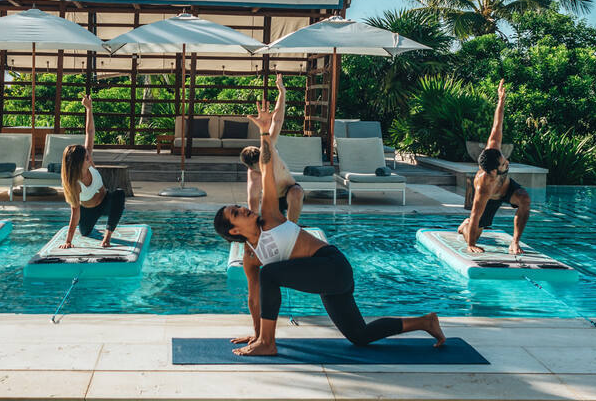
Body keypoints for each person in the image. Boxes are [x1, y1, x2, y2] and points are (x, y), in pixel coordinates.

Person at [213, 97, 444, 356]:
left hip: (332, 265)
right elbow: (255, 297)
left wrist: (265, 132)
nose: (243, 208)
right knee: (359, 335)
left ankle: (269, 343)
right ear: (233, 230)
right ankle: (426, 322)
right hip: (327, 278)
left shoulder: (269, 216)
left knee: (270, 274)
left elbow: (266, 170)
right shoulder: (249, 256)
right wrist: (256, 333)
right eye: (236, 213)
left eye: (238, 207)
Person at [459, 79, 531, 255]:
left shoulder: (493, 149)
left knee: (525, 199)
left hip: (506, 189)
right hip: (490, 198)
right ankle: (464, 226)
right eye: (503, 164)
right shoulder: (483, 186)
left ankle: (515, 242)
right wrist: (470, 245)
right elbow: (476, 214)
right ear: (493, 171)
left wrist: (501, 100)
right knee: (474, 233)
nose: (506, 162)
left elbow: (497, 124)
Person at [60, 93, 126, 248]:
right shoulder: (74, 184)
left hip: (105, 202)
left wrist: (89, 109)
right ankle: (92, 228)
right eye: (86, 158)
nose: (90, 157)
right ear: (78, 163)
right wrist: (68, 241)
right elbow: (75, 214)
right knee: (85, 232)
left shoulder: (89, 161)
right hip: (88, 211)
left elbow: (89, 133)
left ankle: (107, 237)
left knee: (119, 194)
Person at [239, 74, 303, 222]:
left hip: (289, 191)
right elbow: (253, 206)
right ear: (252, 168)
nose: (263, 166)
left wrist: (282, 92)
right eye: (260, 167)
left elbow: (277, 120)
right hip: (271, 199)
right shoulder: (254, 178)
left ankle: (291, 228)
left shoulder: (269, 150)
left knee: (297, 193)